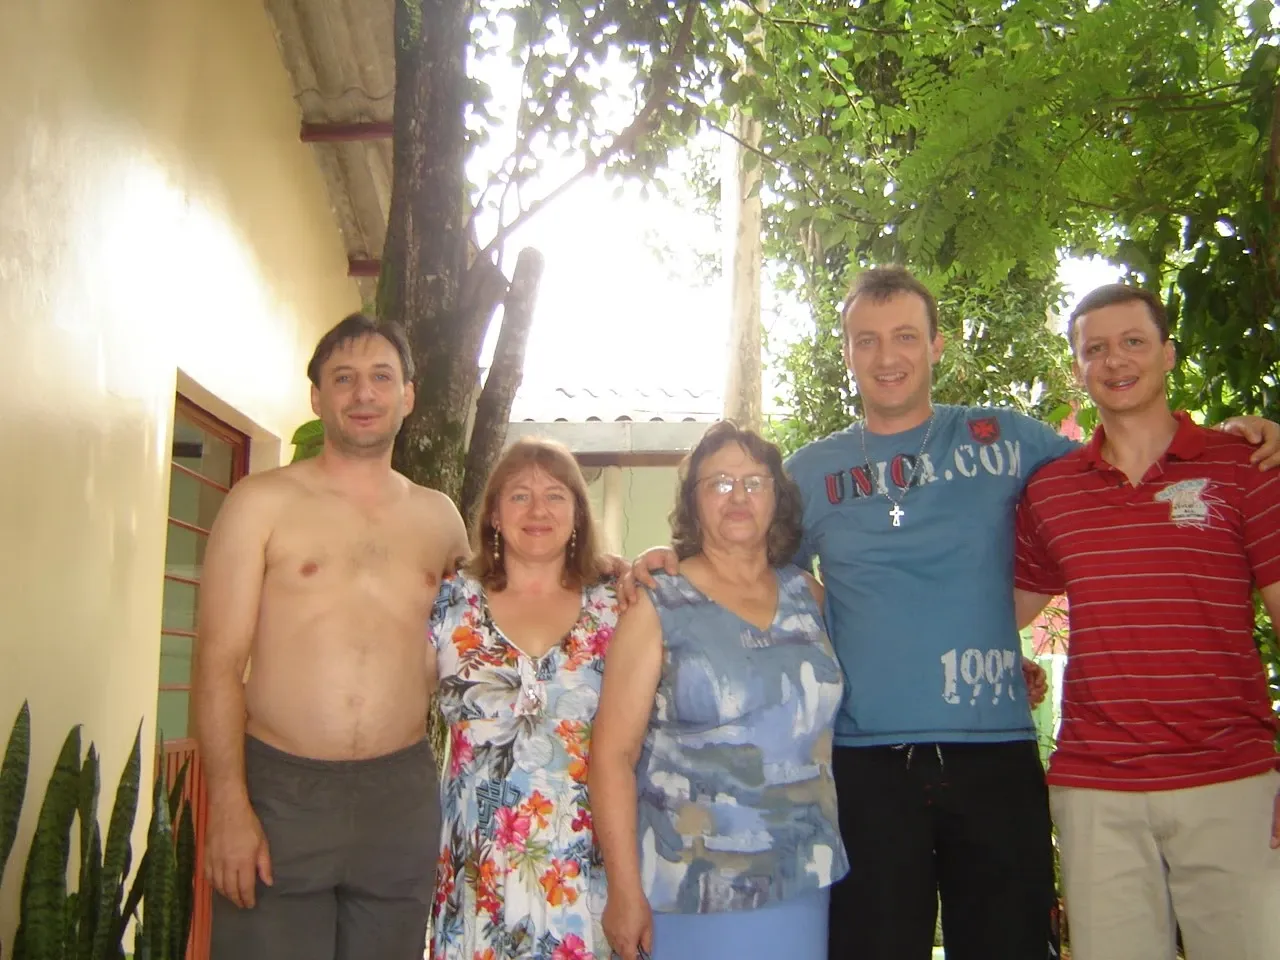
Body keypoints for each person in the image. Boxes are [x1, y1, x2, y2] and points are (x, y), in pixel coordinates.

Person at [632, 266, 1280, 960]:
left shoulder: (1011, 441)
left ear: (938, 345)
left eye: (906, 336)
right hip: (868, 762)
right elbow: (747, 562)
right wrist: (661, 559)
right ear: (847, 353)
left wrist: (1241, 434)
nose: (888, 357)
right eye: (868, 340)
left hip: (996, 754)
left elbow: (1122, 460)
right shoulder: (810, 473)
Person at [1013, 283, 1280, 960]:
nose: (1114, 360)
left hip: (1232, 780)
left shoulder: (1247, 464)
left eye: (1133, 342)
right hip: (1097, 787)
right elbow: (997, 614)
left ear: (1167, 355)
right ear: (1077, 368)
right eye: (1094, 348)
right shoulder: (1051, 491)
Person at [192, 313, 468, 960]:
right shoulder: (260, 503)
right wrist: (228, 804)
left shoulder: (440, 519)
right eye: (343, 378)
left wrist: (620, 569)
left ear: (408, 393)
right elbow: (217, 664)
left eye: (380, 377)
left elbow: (503, 622)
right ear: (318, 397)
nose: (363, 393)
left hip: (399, 793)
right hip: (279, 792)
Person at [592, 421, 848, 960]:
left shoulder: (810, 598)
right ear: (693, 500)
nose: (738, 496)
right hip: (689, 889)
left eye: (755, 482)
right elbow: (613, 755)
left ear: (777, 497)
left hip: (801, 878)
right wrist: (622, 889)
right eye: (720, 482)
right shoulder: (659, 603)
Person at [427, 437, 618, 960]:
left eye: (556, 495)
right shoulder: (450, 605)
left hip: (584, 872)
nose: (538, 510)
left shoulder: (617, 607)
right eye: (519, 496)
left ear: (578, 513)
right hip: (478, 870)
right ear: (492, 513)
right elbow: (391, 714)